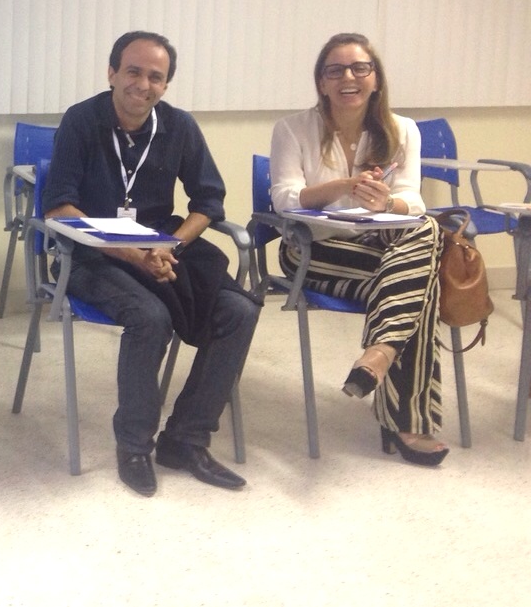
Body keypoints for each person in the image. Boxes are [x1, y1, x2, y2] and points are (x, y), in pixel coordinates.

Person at [42, 30, 259, 497]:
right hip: (90, 253)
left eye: (155, 77)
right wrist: (134, 256)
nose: (143, 85)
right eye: (133, 72)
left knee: (240, 311)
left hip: (161, 247)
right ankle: (135, 445)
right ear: (112, 73)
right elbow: (60, 209)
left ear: (165, 85)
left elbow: (209, 201)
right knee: (150, 317)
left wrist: (171, 247)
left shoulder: (179, 126)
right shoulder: (82, 121)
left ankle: (185, 440)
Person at [270, 32, 448, 466]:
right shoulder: (292, 128)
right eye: (335, 70)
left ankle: (379, 354)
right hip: (311, 250)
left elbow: (413, 200)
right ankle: (406, 415)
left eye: (359, 68)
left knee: (425, 228)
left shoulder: (403, 130)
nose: (348, 77)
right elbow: (284, 199)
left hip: (379, 247)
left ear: (376, 79)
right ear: (322, 82)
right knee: (421, 285)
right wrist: (343, 187)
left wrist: (387, 203)